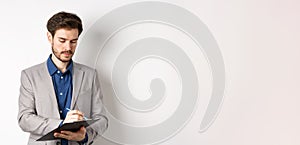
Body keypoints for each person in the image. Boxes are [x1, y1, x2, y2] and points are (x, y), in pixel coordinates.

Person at [18, 11, 108, 145]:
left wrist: (84, 136)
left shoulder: (90, 75)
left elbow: (102, 119)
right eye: (62, 40)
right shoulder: (30, 75)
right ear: (50, 37)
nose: (68, 47)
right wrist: (61, 124)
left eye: (73, 41)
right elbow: (24, 119)